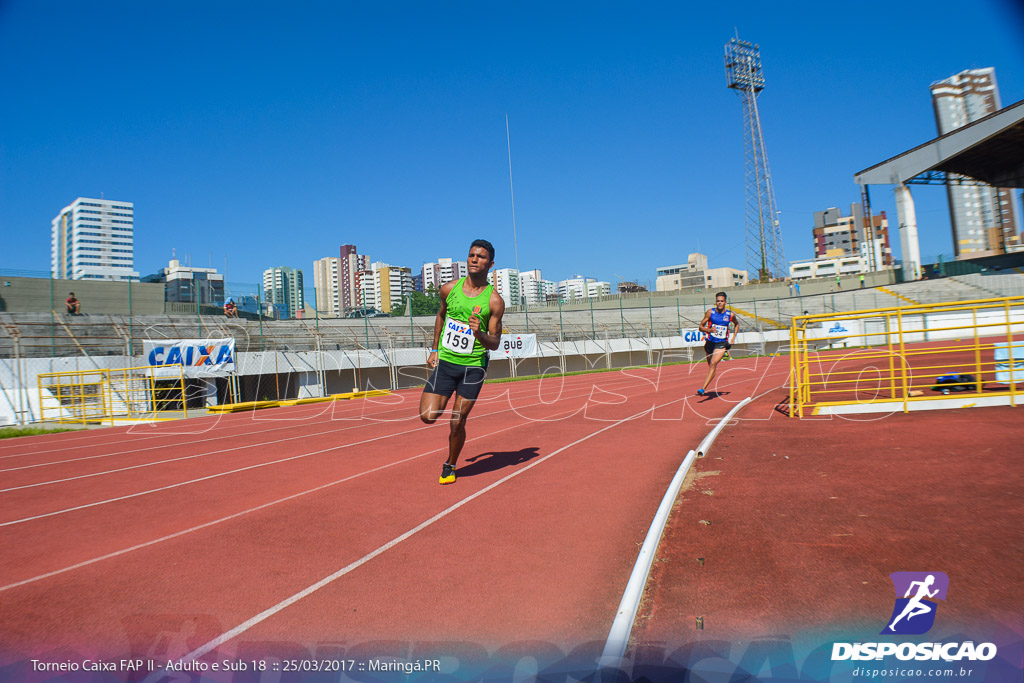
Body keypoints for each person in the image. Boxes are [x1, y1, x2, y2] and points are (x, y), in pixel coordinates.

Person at [419, 239, 505, 485]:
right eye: (471, 255)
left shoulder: (494, 301)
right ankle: (443, 396)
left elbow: (495, 342)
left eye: (481, 257)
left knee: (457, 421)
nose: (475, 259)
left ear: (491, 264)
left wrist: (479, 334)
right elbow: (441, 315)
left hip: (473, 366)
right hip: (446, 362)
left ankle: (450, 464)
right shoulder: (448, 289)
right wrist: (434, 348)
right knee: (428, 416)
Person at [696, 292, 740, 397]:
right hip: (710, 342)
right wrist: (708, 330)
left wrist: (733, 337)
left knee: (713, 364)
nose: (719, 303)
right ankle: (712, 373)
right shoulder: (710, 313)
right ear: (715, 302)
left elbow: (737, 324)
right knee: (710, 365)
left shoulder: (730, 315)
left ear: (725, 302)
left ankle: (703, 389)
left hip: (722, 343)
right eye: (718, 301)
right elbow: (700, 327)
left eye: (722, 301)